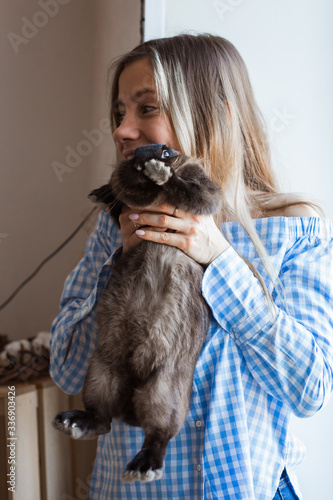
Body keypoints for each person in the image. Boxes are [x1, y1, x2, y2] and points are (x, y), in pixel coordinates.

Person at [50, 34, 333, 499]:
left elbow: (310, 389)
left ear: (216, 114)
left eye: (147, 108)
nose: (121, 129)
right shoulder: (115, 227)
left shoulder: (293, 230)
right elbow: (66, 370)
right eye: (120, 112)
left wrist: (221, 261)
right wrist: (118, 259)